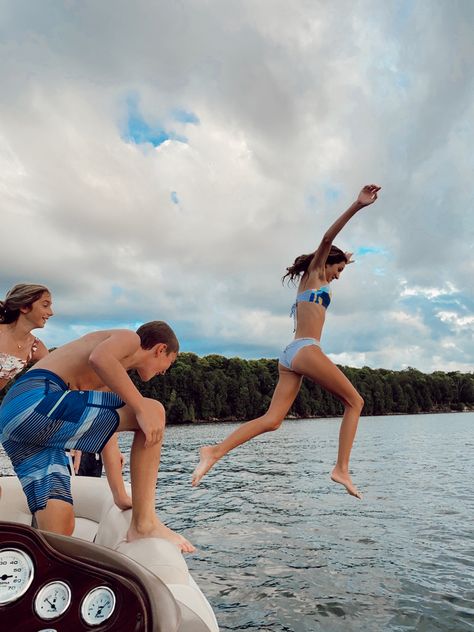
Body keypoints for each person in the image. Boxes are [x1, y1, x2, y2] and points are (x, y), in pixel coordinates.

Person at [192, 184, 382, 499]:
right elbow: (326, 240)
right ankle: (341, 469)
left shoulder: (317, 278)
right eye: (338, 269)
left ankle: (214, 451)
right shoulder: (316, 274)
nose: (338, 276)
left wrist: (345, 258)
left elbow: (335, 253)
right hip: (306, 349)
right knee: (355, 402)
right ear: (326, 264)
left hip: (290, 355)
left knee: (273, 420)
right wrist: (357, 205)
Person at [0, 321, 195, 552]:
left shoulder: (110, 378)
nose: (165, 371)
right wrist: (142, 407)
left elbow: (107, 440)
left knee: (59, 522)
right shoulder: (128, 339)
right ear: (160, 349)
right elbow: (99, 357)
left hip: (16, 422)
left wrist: (120, 495)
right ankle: (144, 523)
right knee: (154, 411)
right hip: (34, 401)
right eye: (169, 363)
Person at [0, 283, 52, 390]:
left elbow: (58, 372)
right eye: (45, 305)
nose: (51, 312)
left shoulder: (36, 348)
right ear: (24, 307)